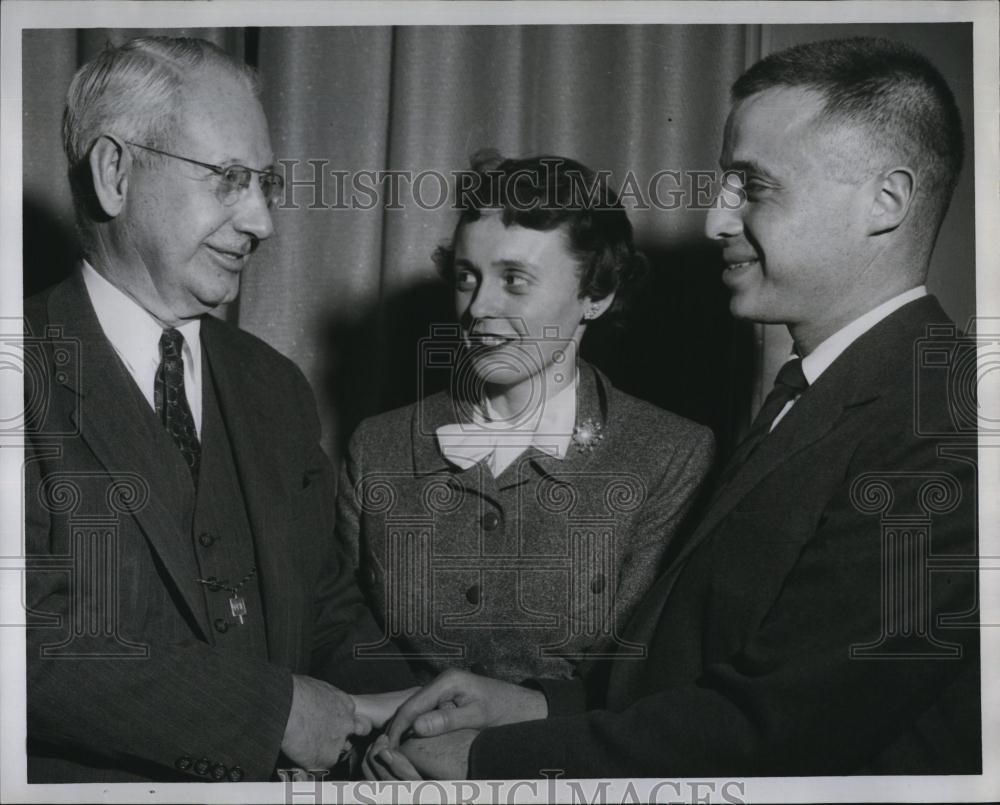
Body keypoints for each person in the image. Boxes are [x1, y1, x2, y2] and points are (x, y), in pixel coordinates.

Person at [370, 37, 980, 778]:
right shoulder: (820, 393)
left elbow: (780, 726)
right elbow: (694, 676)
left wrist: (490, 757)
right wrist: (528, 703)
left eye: (753, 187)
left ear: (886, 202)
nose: (714, 222)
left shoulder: (946, 421)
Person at [23, 36, 416, 783]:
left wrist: (411, 715)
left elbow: (326, 604)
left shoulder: (274, 386)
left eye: (265, 183)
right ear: (114, 172)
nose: (262, 221)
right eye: (229, 178)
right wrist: (275, 714)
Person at [336, 154, 714, 685]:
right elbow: (342, 635)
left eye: (515, 280)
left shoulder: (671, 455)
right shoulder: (378, 446)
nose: (478, 308)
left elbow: (641, 673)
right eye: (467, 278)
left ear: (596, 295)